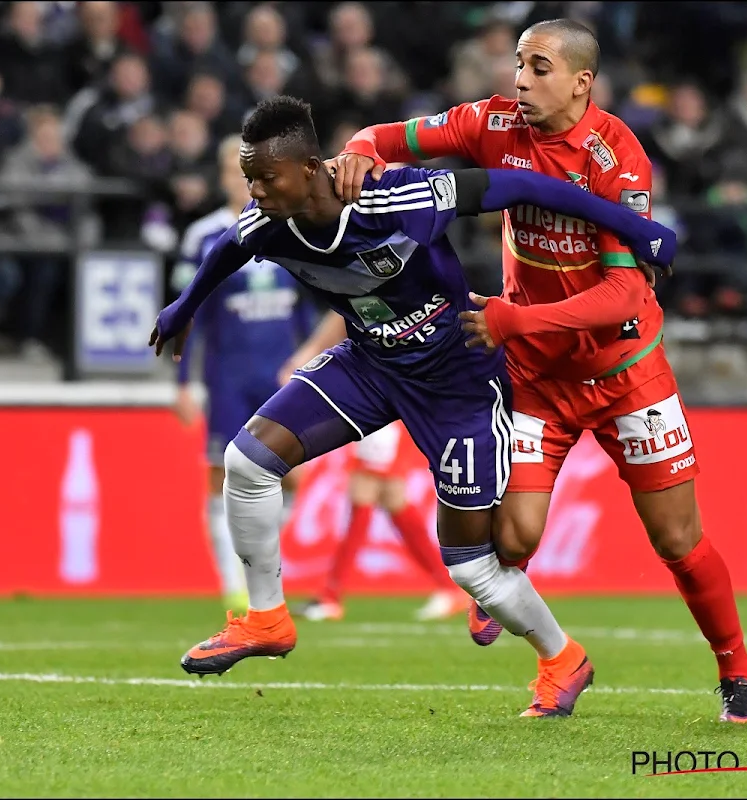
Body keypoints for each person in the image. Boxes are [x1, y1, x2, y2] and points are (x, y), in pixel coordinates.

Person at [150, 95, 675, 717]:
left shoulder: (396, 197)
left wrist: (639, 228)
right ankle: (266, 620)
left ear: (312, 167)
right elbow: (223, 252)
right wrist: (183, 308)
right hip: (370, 365)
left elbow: (522, 186)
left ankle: (561, 657)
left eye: (267, 177)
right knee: (248, 460)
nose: (256, 192)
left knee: (471, 567)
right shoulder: (265, 222)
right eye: (249, 179)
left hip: (457, 381)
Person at [334, 19, 747, 723]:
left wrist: (515, 320)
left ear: (581, 81)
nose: (520, 80)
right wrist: (357, 149)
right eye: (517, 65)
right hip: (539, 379)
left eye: (538, 68)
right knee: (510, 541)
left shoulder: (617, 156)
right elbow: (391, 138)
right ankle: (554, 663)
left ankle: (738, 670)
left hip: (626, 372)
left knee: (678, 543)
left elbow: (627, 293)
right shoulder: (495, 123)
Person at [174, 134, 321, 614]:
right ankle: (232, 585)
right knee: (219, 477)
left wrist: (308, 356)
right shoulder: (203, 235)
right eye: (237, 173)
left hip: (279, 375)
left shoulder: (293, 224)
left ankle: (260, 570)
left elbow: (306, 303)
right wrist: (185, 383)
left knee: (291, 477)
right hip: (228, 376)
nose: (246, 183)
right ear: (222, 177)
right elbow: (189, 313)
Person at [279, 311, 472, 622]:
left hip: (387, 398)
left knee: (368, 489)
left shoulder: (379, 284)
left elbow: (341, 317)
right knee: (386, 495)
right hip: (391, 394)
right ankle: (447, 587)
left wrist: (303, 358)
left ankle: (332, 596)